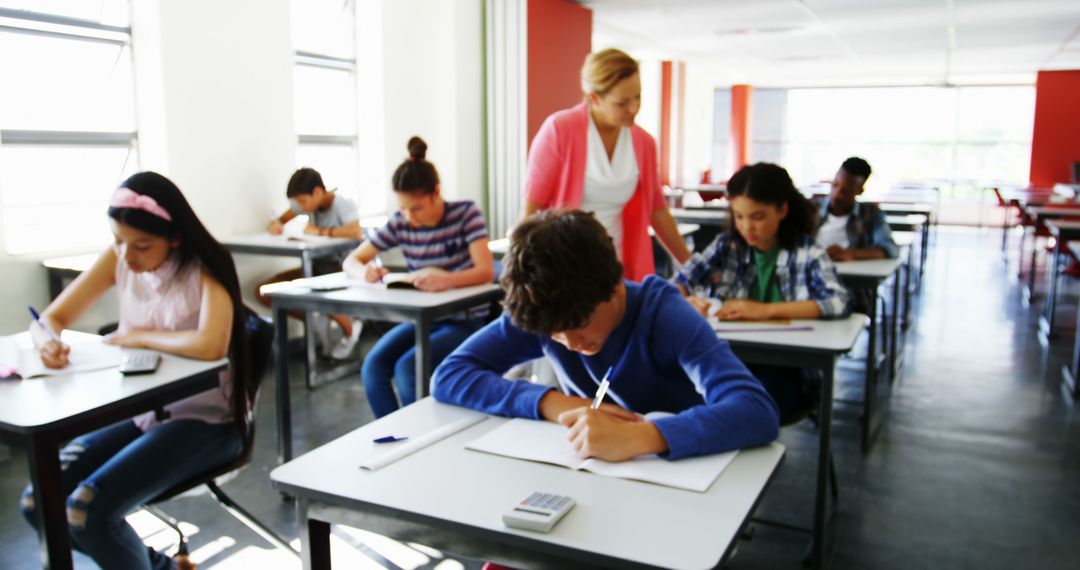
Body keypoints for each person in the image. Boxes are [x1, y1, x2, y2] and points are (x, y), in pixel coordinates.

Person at [19, 171, 253, 570]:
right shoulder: (121, 257)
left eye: (142, 245)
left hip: (208, 422)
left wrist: (141, 335)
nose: (127, 257)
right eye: (118, 241)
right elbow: (51, 318)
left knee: (88, 513)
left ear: (175, 236)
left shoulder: (203, 267)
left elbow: (211, 343)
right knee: (37, 501)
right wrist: (47, 343)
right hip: (145, 413)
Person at [432, 210, 779, 462]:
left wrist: (644, 437)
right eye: (556, 335)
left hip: (679, 479)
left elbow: (757, 410)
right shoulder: (544, 310)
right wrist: (556, 404)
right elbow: (449, 376)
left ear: (614, 288)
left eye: (580, 325)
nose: (570, 343)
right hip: (587, 472)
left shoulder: (666, 315)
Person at [675, 162, 849, 423]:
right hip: (728, 360)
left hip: (788, 370)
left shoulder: (807, 251)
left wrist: (763, 310)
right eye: (739, 216)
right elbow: (678, 282)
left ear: (782, 210)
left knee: (747, 406)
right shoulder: (728, 244)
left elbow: (838, 301)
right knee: (685, 396)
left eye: (757, 217)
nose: (747, 227)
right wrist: (685, 301)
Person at [343, 137, 495, 418]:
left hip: (464, 320)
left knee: (407, 368)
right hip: (423, 319)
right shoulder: (401, 222)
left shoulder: (465, 214)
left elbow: (485, 272)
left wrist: (446, 280)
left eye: (416, 208)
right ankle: (392, 434)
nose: (409, 217)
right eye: (403, 208)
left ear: (436, 192)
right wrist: (364, 271)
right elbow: (351, 260)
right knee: (373, 366)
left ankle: (422, 438)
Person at [522, 48, 691, 281]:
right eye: (622, 103)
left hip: (618, 265)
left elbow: (657, 210)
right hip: (564, 265)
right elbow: (531, 211)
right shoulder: (559, 130)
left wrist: (691, 266)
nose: (634, 108)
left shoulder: (644, 142)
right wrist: (521, 272)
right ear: (595, 98)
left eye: (638, 97)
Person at [258, 167, 364, 359]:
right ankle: (315, 320)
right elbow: (282, 219)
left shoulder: (342, 204)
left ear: (317, 192)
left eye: (303, 201)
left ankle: (349, 328)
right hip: (316, 266)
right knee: (267, 291)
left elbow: (356, 232)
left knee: (314, 294)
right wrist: (276, 225)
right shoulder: (309, 205)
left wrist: (320, 231)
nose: (301, 207)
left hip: (341, 268)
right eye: (297, 203)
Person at [814, 157, 898, 261]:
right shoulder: (811, 209)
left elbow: (890, 248)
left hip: (852, 275)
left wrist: (853, 254)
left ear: (860, 191)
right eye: (835, 184)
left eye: (847, 191)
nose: (838, 194)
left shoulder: (870, 213)